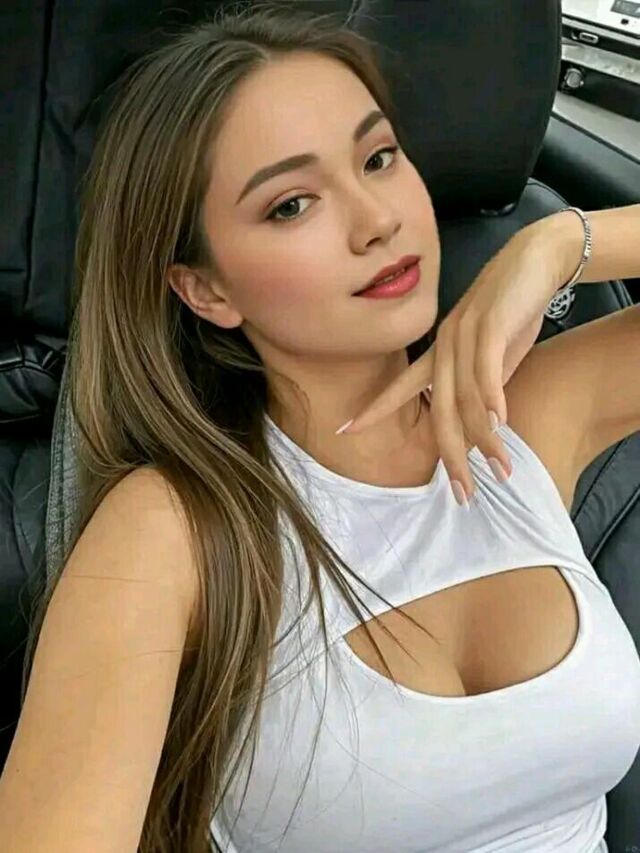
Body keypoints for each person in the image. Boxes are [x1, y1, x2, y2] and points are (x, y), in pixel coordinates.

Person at [0, 3, 638, 852]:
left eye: (379, 158)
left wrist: (560, 245)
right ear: (206, 290)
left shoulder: (522, 416)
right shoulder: (170, 531)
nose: (377, 219)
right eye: (292, 204)